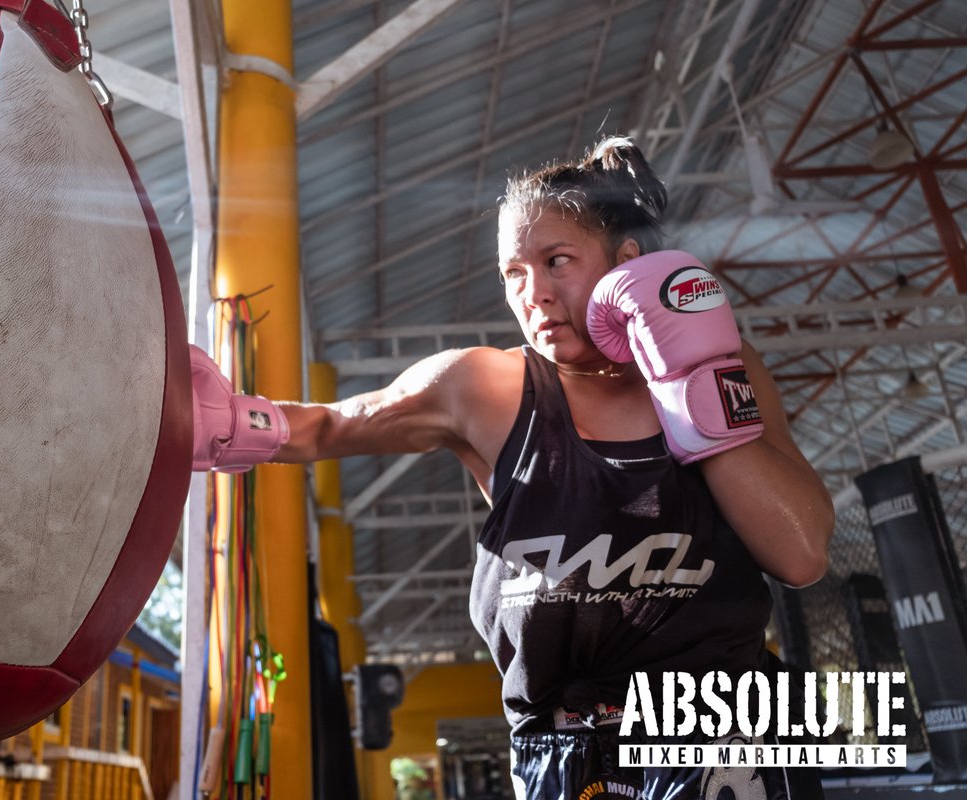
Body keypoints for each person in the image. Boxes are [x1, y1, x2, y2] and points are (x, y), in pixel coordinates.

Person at [192, 136, 835, 799]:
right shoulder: (490, 390)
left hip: (725, 736)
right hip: (562, 753)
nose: (535, 295)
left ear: (627, 264)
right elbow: (335, 422)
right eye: (513, 274)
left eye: (557, 261)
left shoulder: (726, 367)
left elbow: (801, 554)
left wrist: (688, 385)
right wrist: (213, 421)